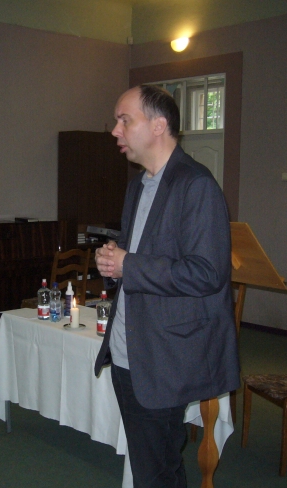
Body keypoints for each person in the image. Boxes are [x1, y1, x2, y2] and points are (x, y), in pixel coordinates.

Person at [94, 85, 241, 488]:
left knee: (155, 472)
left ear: (159, 126)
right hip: (128, 350)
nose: (115, 130)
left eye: (125, 120)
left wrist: (129, 263)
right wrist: (114, 264)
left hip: (164, 357)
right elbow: (140, 258)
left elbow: (207, 273)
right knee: (156, 468)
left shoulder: (196, 185)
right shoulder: (138, 185)